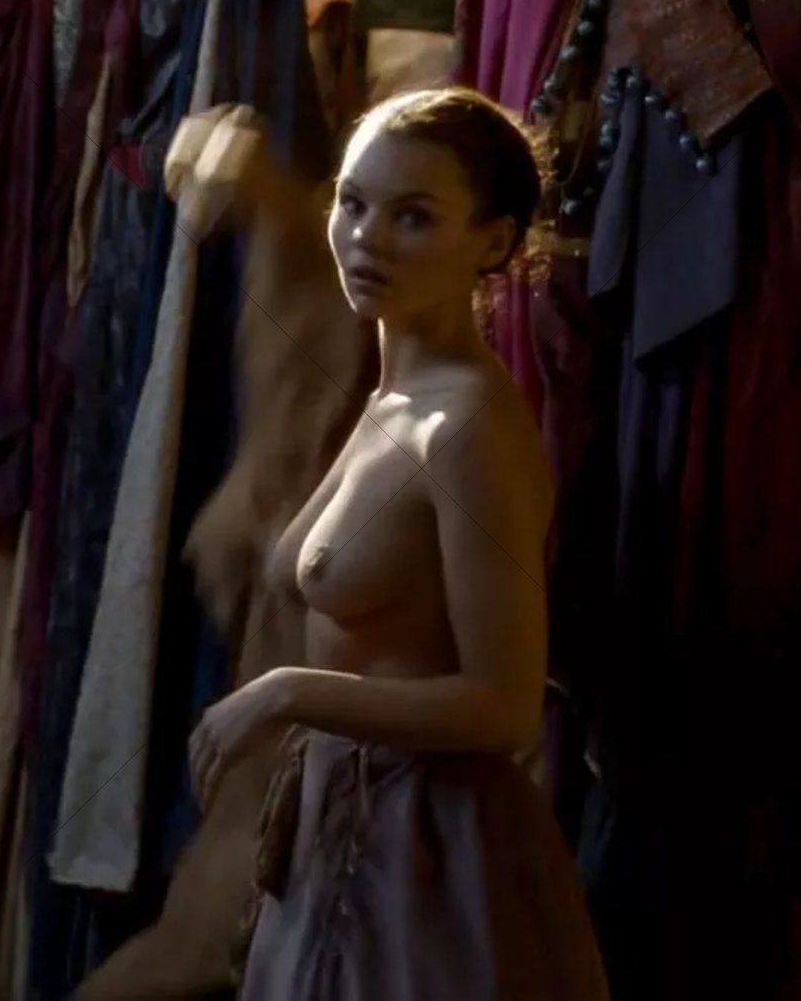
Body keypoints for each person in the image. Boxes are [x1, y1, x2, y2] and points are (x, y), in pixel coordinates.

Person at [178, 87, 611, 1000]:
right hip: (344, 837)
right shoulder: (394, 396)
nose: (366, 238)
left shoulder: (468, 427)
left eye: (413, 216)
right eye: (353, 203)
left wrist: (289, 691)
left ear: (492, 241)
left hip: (427, 862)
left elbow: (505, 707)